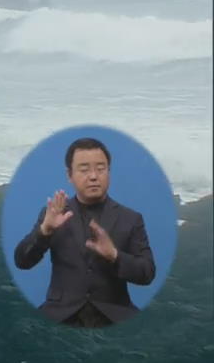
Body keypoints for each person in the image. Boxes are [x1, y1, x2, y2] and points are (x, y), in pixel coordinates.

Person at [12, 137, 156, 327]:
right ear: (69, 175)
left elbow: (147, 273)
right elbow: (22, 262)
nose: (94, 176)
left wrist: (114, 255)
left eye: (101, 168)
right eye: (84, 169)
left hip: (116, 315)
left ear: (109, 172)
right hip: (59, 314)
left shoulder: (131, 219)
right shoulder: (55, 213)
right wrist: (44, 231)